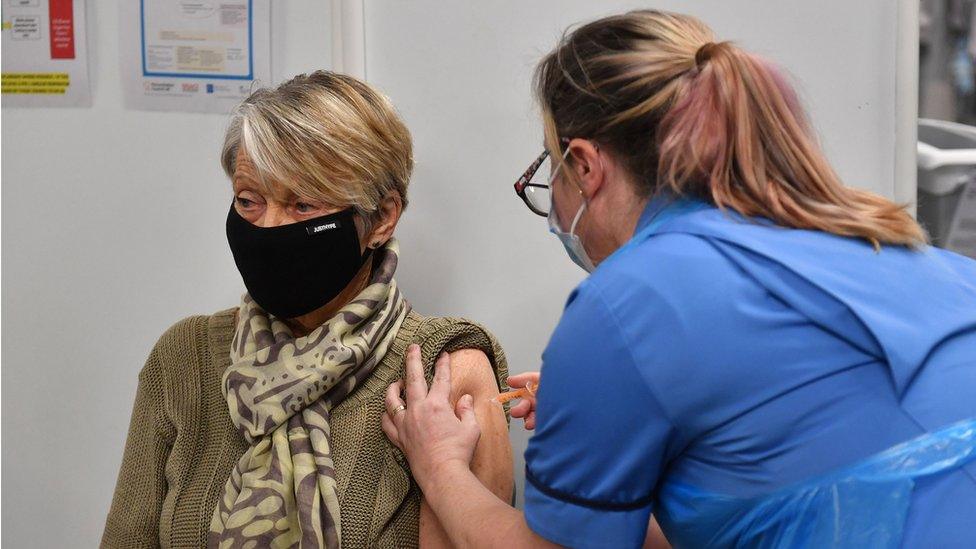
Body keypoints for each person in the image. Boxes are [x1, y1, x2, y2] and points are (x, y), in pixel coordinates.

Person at [382, 10, 976, 549]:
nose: (554, 204)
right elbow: (767, 501)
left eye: (548, 171)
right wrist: (609, 425)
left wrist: (439, 464)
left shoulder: (627, 307)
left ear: (585, 166)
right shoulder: (887, 243)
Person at [101, 71, 513, 549]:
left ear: (380, 218)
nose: (270, 227)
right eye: (249, 200)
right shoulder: (185, 357)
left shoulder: (442, 369)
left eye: (303, 205)